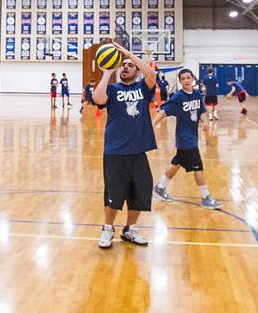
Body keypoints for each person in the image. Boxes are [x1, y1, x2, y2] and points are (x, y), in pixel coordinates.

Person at [93, 42, 158, 249]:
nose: (126, 67)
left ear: (136, 71)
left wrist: (127, 54)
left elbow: (151, 75)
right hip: (115, 150)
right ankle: (107, 228)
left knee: (140, 192)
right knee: (114, 193)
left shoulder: (143, 88)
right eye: (123, 65)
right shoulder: (112, 89)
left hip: (138, 150)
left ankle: (129, 229)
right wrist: (107, 72)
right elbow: (97, 98)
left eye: (130, 65)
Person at [152, 69, 222, 209]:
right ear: (180, 81)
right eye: (183, 78)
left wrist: (205, 122)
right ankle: (206, 196)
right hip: (185, 139)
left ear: (193, 79)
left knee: (177, 162)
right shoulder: (178, 97)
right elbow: (164, 111)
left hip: (193, 136)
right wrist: (153, 124)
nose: (186, 80)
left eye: (188, 78)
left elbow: (201, 110)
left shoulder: (196, 94)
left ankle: (160, 187)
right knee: (198, 166)